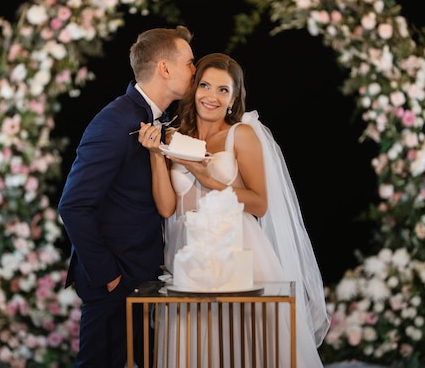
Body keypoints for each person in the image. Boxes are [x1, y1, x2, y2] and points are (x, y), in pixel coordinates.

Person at [138, 53, 330, 367]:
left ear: (233, 98)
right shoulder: (173, 134)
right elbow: (166, 207)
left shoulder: (241, 135)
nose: (211, 96)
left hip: (237, 253)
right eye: (205, 86)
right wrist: (156, 155)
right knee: (194, 348)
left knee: (242, 349)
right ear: (194, 89)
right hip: (186, 252)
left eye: (223, 90)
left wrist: (205, 176)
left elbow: (259, 203)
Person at [58, 25, 196, 368]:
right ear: (164, 68)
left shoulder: (153, 119)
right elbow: (73, 205)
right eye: (189, 63)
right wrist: (110, 277)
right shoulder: (115, 121)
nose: (195, 70)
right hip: (114, 283)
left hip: (142, 277)